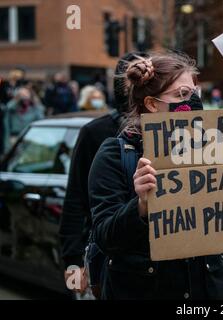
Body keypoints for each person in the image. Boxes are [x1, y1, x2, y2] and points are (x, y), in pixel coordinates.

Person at [87, 51, 223, 300]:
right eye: (182, 95)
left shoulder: (209, 146)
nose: (193, 102)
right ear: (152, 104)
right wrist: (141, 206)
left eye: (194, 93)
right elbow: (105, 236)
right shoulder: (115, 154)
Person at [59, 52, 149, 299]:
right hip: (102, 256)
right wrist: (73, 261)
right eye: (134, 74)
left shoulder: (171, 132)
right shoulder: (95, 133)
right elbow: (75, 198)